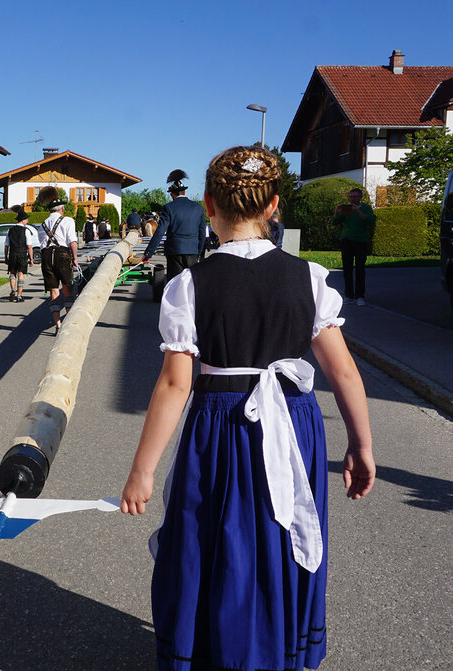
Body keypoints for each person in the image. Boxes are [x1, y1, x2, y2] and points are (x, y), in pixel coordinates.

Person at [120, 146, 375, 671]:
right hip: (294, 422)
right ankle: (277, 649)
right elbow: (344, 372)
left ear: (208, 205)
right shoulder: (309, 278)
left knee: (217, 539)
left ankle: (217, 651)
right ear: (274, 205)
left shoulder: (189, 285)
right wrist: (361, 444)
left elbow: (175, 383)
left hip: (220, 425)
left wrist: (143, 471)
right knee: (280, 536)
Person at [141, 170, 207, 279]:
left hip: (174, 252)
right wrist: (198, 252)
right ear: (184, 192)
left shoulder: (168, 208)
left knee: (175, 284)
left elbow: (160, 232)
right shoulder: (198, 208)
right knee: (191, 283)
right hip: (192, 251)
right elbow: (202, 233)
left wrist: (148, 253)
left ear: (172, 194)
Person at [37, 186, 79, 335]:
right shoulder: (68, 220)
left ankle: (58, 325)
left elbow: (42, 244)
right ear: (62, 209)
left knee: (53, 291)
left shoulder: (42, 224)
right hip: (62, 255)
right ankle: (69, 324)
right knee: (67, 288)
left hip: (47, 256)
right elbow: (72, 241)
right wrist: (75, 258)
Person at [332, 188, 375, 306]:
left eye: (355, 197)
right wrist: (337, 212)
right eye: (351, 197)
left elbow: (370, 221)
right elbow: (335, 222)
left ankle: (360, 296)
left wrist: (358, 211)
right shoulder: (347, 209)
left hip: (361, 241)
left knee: (360, 268)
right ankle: (349, 295)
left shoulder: (366, 208)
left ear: (360, 197)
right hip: (347, 240)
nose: (352, 199)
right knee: (347, 268)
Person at [5, 205, 36, 302]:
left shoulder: (10, 230)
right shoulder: (26, 231)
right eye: (26, 219)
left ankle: (12, 290)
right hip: (22, 254)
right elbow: (29, 246)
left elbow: (6, 245)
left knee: (12, 273)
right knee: (20, 274)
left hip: (12, 254)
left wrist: (6, 257)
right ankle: (19, 295)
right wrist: (31, 258)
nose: (27, 221)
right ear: (23, 220)